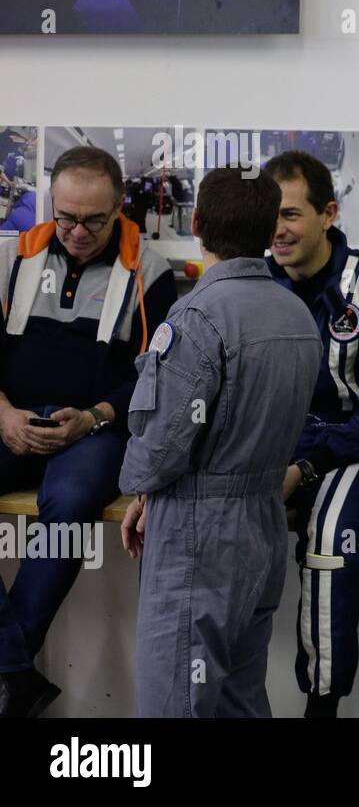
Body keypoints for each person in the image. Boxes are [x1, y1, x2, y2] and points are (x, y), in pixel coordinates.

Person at [120, 167, 321, 718]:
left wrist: (142, 491)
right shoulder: (296, 314)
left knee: (175, 703)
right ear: (268, 230)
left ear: (198, 223)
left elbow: (161, 443)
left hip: (196, 530)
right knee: (239, 698)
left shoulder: (197, 316)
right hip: (263, 522)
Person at [0, 146, 176, 717]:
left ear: (119, 206)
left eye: (94, 220)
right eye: (66, 216)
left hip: (95, 430)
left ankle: (8, 671)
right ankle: (12, 674)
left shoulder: (149, 272)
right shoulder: (12, 258)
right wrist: (1, 412)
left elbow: (154, 377)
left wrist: (96, 417)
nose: (77, 231)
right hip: (11, 420)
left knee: (71, 504)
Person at [264, 151, 359, 718]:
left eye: (290, 214)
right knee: (204, 521)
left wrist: (304, 468)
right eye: (268, 215)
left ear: (328, 213)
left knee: (328, 536)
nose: (277, 229)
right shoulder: (250, 284)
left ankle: (321, 704)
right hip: (275, 451)